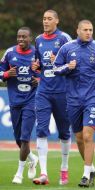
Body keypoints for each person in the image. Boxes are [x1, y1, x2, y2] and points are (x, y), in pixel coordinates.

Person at [53, 19, 95, 188]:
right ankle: (92, 168)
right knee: (79, 138)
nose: (89, 33)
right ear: (77, 30)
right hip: (73, 99)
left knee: (87, 135)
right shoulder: (67, 48)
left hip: (92, 97)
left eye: (91, 30)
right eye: (85, 30)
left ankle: (85, 175)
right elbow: (55, 69)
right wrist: (67, 67)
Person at [32, 10, 72, 185]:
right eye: (44, 19)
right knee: (41, 130)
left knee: (64, 132)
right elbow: (39, 65)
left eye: (49, 19)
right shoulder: (38, 40)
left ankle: (64, 168)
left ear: (57, 20)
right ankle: (44, 173)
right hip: (43, 91)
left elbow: (74, 65)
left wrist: (60, 62)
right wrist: (36, 66)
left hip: (62, 92)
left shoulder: (64, 39)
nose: (46, 22)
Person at [0, 27, 38, 184]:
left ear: (30, 38)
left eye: (24, 37)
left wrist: (40, 79)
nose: (21, 39)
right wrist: (7, 74)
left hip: (32, 99)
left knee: (25, 138)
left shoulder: (37, 53)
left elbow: (48, 72)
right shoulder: (9, 53)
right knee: (18, 139)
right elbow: (0, 72)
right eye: (19, 37)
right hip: (15, 100)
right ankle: (32, 158)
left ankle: (19, 173)